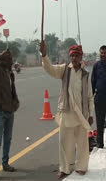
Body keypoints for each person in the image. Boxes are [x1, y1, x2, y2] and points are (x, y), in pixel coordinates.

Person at [40, 41, 94, 179]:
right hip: (67, 112)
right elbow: (50, 69)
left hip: (81, 113)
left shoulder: (85, 74)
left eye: (76, 55)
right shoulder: (64, 70)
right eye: (72, 56)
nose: (74, 58)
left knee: (82, 142)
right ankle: (64, 168)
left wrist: (91, 113)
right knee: (64, 142)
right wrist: (44, 55)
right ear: (70, 57)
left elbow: (89, 96)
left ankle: (81, 166)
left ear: (81, 58)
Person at [0, 33, 19, 181]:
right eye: (10, 59)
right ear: (4, 61)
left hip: (9, 110)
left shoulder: (9, 73)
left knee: (8, 140)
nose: (12, 61)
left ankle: (5, 164)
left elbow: (12, 90)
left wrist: (16, 102)